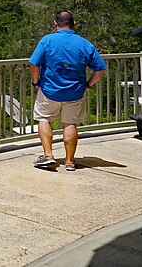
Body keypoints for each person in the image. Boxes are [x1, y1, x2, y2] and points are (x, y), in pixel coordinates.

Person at [29, 10, 106, 171]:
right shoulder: (84, 43)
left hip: (49, 90)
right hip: (75, 92)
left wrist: (36, 83)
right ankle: (70, 161)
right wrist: (88, 84)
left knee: (44, 118)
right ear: (73, 24)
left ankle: (48, 155)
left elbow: (34, 64)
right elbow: (100, 69)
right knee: (70, 124)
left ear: (55, 23)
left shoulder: (47, 40)